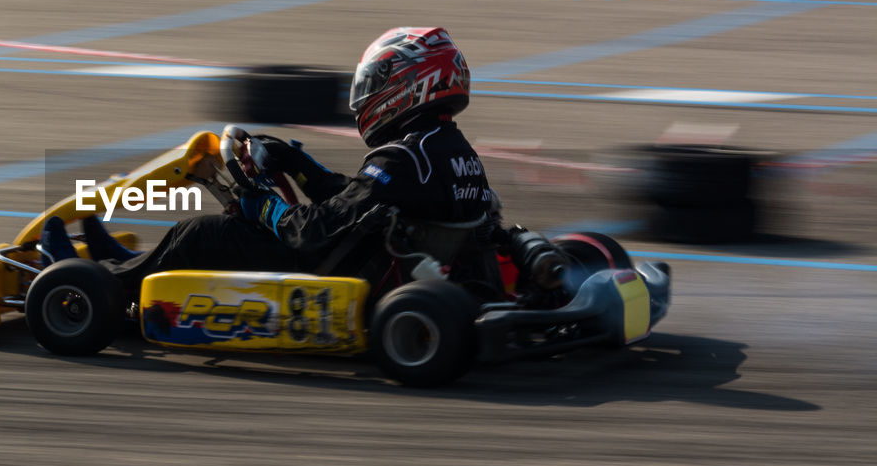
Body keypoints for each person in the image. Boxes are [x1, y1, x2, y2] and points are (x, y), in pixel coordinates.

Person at [41, 26, 564, 299]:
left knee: (201, 234)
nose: (365, 99)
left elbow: (313, 232)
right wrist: (301, 165)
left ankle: (98, 284)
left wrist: (260, 205)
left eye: (375, 86)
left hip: (339, 272)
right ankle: (122, 264)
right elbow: (363, 204)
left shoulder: (404, 157)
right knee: (229, 220)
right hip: (376, 258)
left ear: (409, 86)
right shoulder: (447, 149)